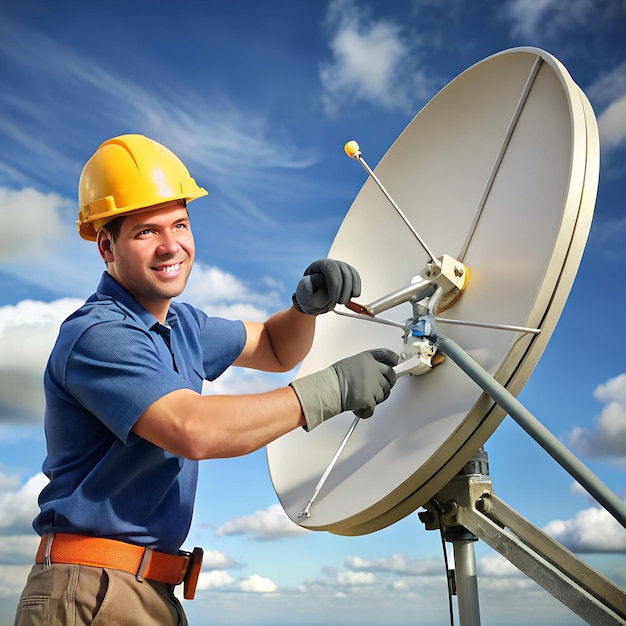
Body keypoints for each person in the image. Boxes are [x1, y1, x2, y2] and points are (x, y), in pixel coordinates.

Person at [14, 134, 399, 625]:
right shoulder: (99, 334)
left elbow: (278, 348)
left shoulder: (185, 325)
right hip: (93, 588)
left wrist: (304, 308)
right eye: (146, 232)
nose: (171, 245)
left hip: (142, 589)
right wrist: (333, 389)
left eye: (180, 223)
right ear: (106, 245)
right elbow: (192, 429)